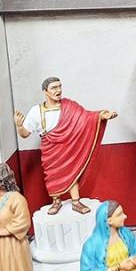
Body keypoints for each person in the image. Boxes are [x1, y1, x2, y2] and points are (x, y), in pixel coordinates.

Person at [14, 77, 118, 215]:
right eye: (54, 88)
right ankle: (56, 202)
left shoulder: (69, 106)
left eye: (59, 86)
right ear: (45, 91)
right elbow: (25, 134)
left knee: (71, 172)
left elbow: (86, 117)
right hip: (50, 149)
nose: (58, 90)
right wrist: (19, 126)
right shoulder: (36, 111)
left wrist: (102, 115)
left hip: (68, 148)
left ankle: (76, 202)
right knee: (52, 175)